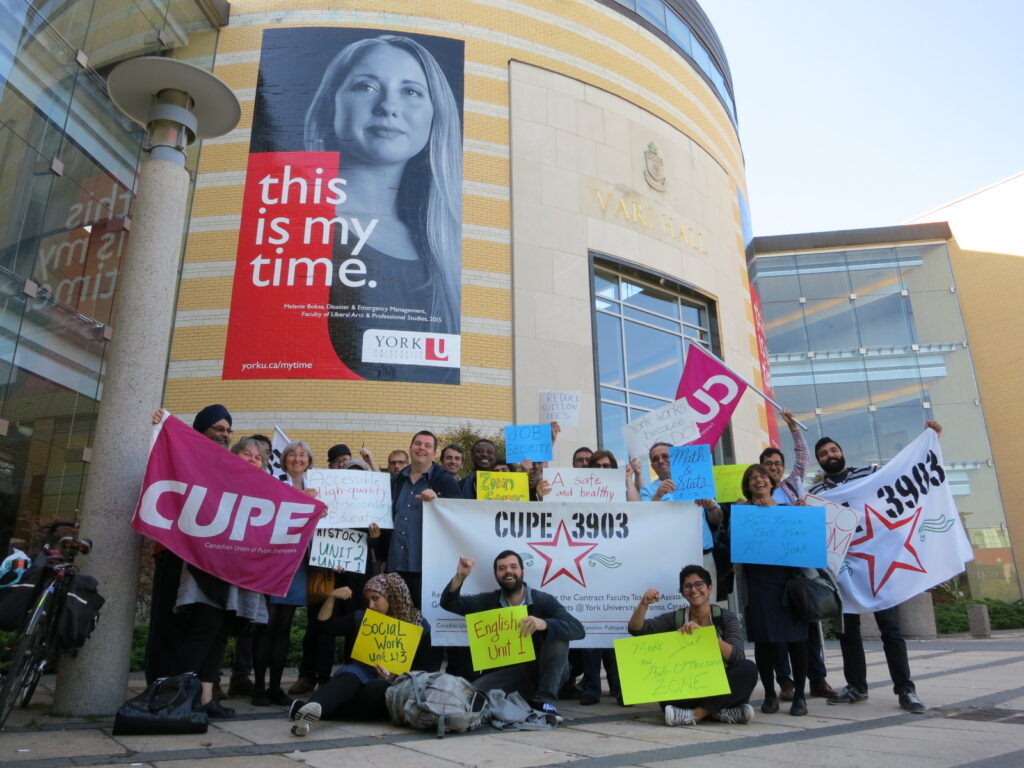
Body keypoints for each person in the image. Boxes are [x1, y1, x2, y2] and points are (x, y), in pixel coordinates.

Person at [304, 34, 462, 384]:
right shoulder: (298, 227)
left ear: (436, 115)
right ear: (332, 103)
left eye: (411, 91)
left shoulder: (444, 247)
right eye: (366, 86)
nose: (389, 106)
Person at [807, 423, 942, 714]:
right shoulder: (816, 492)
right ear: (819, 460)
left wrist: (931, 440)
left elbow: (903, 473)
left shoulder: (868, 475)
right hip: (843, 571)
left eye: (833, 450)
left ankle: (905, 689)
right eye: (823, 453)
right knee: (848, 632)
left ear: (841, 452)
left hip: (879, 567)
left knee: (890, 628)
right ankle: (856, 686)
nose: (829, 455)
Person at [143, 405, 233, 688]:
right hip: (174, 550)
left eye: (229, 430)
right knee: (167, 621)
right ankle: (158, 688)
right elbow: (155, 460)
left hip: (208, 557)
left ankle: (192, 693)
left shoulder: (228, 465)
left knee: (200, 625)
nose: (224, 434)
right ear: (201, 428)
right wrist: (158, 428)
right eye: (219, 428)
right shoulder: (178, 452)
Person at [288, 573, 440, 736]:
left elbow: (427, 669)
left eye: (375, 598)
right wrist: (331, 597)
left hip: (394, 686)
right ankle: (314, 707)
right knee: (349, 677)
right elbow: (325, 627)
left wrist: (395, 676)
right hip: (358, 675)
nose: (371, 605)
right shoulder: (363, 617)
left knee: (380, 690)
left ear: (393, 597)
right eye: (368, 600)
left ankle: (306, 709)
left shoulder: (419, 625)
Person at [439, 551, 585, 717]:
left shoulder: (543, 600)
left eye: (513, 567)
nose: (508, 571)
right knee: (472, 695)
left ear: (522, 571)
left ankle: (546, 703)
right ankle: (522, 698)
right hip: (509, 675)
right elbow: (449, 603)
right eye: (502, 568)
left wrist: (544, 624)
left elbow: (577, 629)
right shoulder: (488, 602)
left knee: (556, 635)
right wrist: (460, 576)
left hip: (545, 673)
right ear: (496, 575)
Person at [760, 410, 836, 701]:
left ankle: (818, 679)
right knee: (779, 628)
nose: (774, 468)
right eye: (769, 464)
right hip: (772, 570)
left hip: (798, 567)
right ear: (761, 468)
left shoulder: (792, 487)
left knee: (809, 622)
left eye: (778, 464)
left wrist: (792, 427)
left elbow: (803, 457)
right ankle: (786, 681)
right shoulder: (754, 496)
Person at [628, 565, 758, 726]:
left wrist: (705, 635)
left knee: (748, 669)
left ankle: (696, 714)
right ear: (683, 592)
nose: (694, 589)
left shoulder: (725, 617)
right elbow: (637, 630)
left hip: (720, 685)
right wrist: (643, 604)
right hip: (689, 687)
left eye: (699, 584)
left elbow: (737, 655)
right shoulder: (676, 617)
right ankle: (719, 712)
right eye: (687, 586)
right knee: (660, 684)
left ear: (709, 588)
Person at [738, 464, 811, 716]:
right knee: (764, 642)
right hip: (759, 585)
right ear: (747, 487)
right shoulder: (742, 515)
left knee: (798, 642)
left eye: (763, 477)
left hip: (789, 585)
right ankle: (770, 694)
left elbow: (806, 547)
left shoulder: (790, 511)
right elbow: (731, 546)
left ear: (772, 483)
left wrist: (803, 518)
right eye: (752, 478)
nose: (758, 480)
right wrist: (746, 514)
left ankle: (800, 695)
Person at [254, 441, 319, 705]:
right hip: (274, 561)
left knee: (284, 627)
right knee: (265, 625)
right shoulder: (273, 482)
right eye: (292, 454)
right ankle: (259, 687)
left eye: (303, 455)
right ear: (285, 459)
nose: (298, 459)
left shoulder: (318, 485)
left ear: (309, 460)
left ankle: (275, 687)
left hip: (300, 563)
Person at [372, 431, 462, 607]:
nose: (422, 448)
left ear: (434, 453)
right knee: (397, 620)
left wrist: (439, 502)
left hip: (425, 568)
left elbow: (458, 518)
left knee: (422, 623)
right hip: (395, 565)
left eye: (427, 445)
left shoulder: (444, 481)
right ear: (411, 448)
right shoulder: (398, 481)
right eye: (418, 444)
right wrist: (383, 557)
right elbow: (389, 519)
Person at [637, 442, 722, 596]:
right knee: (674, 611)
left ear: (676, 458)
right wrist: (657, 495)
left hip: (703, 557)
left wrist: (710, 505)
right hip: (669, 559)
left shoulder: (698, 482)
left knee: (706, 611)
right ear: (652, 465)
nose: (660, 461)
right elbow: (645, 523)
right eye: (656, 459)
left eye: (665, 456)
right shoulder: (648, 490)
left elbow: (717, 520)